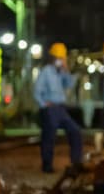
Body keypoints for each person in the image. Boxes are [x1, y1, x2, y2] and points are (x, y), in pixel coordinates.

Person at [33, 43, 83, 174]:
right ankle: (47, 165)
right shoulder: (46, 72)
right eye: (58, 58)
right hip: (50, 109)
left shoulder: (61, 73)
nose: (60, 60)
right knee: (49, 136)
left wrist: (66, 70)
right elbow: (37, 92)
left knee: (75, 131)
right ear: (52, 57)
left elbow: (70, 85)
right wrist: (44, 105)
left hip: (61, 109)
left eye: (62, 58)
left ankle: (76, 163)